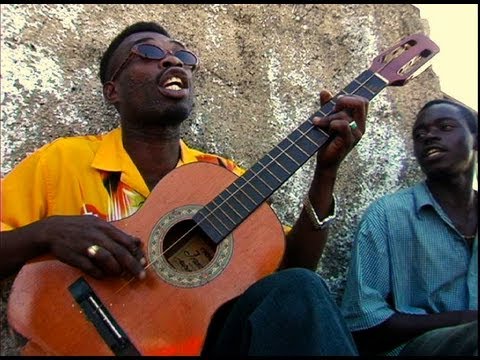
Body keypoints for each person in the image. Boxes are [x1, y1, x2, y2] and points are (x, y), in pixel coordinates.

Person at [1, 21, 369, 355]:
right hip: (73, 345)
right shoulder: (63, 161)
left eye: (182, 55)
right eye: (148, 52)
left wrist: (326, 174)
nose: (171, 61)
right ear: (113, 91)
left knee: (301, 287)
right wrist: (46, 234)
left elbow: (292, 278)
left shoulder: (222, 177)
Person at [340, 99, 478, 356]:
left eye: (445, 127)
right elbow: (362, 321)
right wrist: (464, 321)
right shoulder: (387, 215)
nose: (430, 137)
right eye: (419, 134)